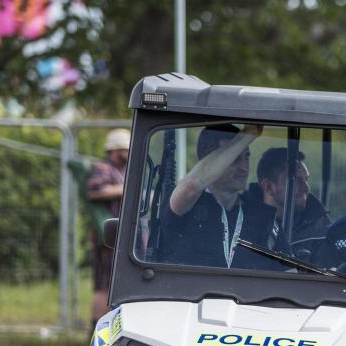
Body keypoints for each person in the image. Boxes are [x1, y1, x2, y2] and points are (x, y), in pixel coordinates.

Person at [157, 124, 287, 270]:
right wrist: (248, 134)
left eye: (246, 158)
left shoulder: (263, 217)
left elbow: (289, 277)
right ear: (209, 160)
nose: (244, 168)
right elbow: (191, 187)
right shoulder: (185, 206)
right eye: (234, 159)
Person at [248, 147, 331, 261]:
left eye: (306, 179)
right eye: (296, 180)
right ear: (268, 187)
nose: (307, 188)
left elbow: (328, 273)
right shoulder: (241, 221)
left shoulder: (320, 227)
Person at [86, 128, 130, 325]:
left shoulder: (122, 171)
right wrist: (124, 191)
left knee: (114, 283)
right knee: (104, 284)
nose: (128, 153)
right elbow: (94, 191)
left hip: (121, 235)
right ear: (116, 150)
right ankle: (96, 327)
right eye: (125, 149)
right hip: (108, 235)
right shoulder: (103, 168)